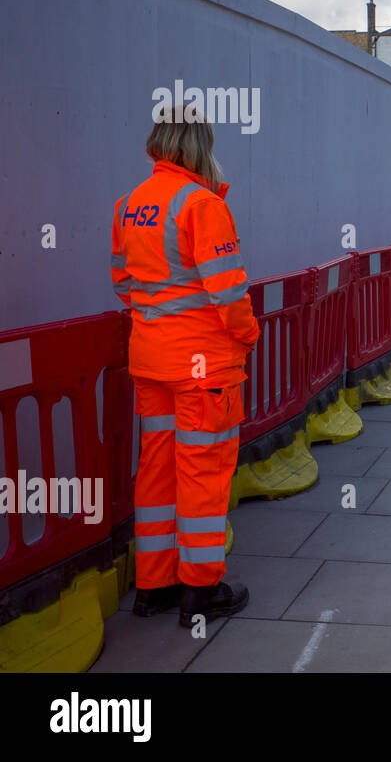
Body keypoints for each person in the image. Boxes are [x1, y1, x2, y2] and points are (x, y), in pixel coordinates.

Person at [111, 106, 257, 626]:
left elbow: (124, 284)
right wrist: (248, 334)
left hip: (151, 362)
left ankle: (154, 586)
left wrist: (155, 324)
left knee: (156, 470)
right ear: (200, 144)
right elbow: (228, 290)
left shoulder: (130, 204)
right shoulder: (200, 204)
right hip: (204, 367)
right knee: (203, 473)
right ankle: (200, 589)